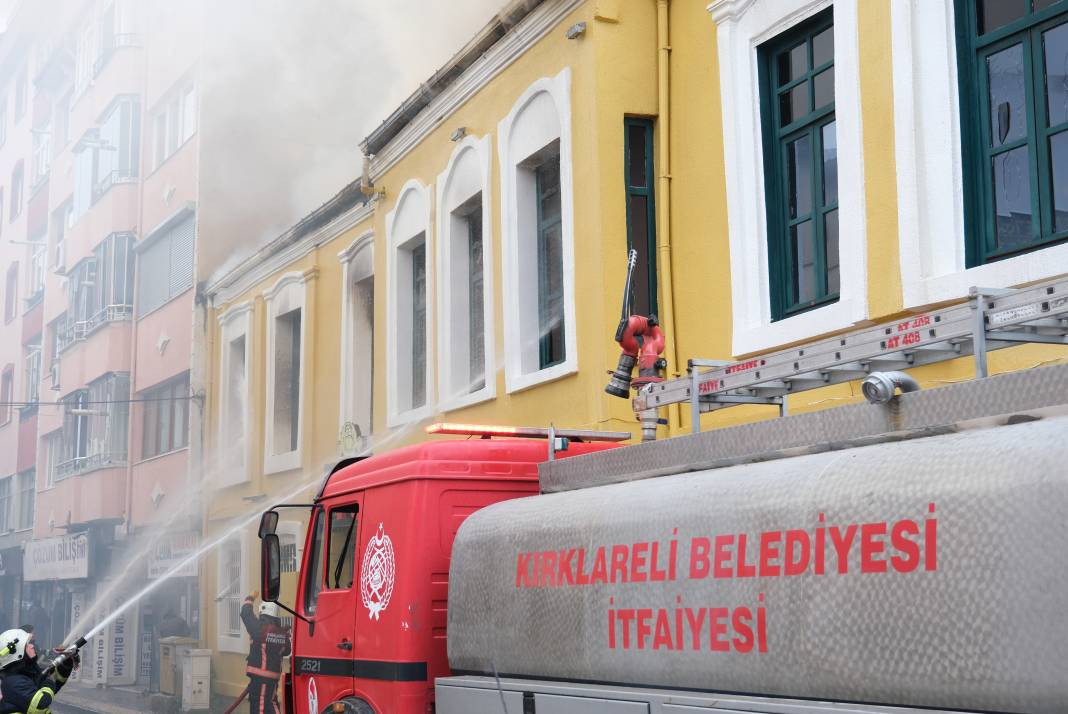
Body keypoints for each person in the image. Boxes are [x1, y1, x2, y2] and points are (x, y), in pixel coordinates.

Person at [0, 627, 78, 714]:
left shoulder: (27, 672)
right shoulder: (13, 682)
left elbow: (54, 685)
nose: (32, 646)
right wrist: (48, 682)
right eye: (27, 645)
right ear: (17, 653)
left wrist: (66, 663)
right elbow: (40, 704)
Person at [240, 593, 290, 714]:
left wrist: (250, 598)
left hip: (260, 678)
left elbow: (246, 613)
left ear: (263, 612)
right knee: (270, 703)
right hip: (271, 679)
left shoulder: (259, 628)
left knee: (262, 707)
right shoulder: (282, 633)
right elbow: (287, 650)